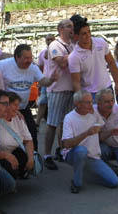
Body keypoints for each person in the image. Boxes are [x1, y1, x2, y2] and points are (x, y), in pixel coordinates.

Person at [0, 44, 58, 151]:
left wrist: (52, 79)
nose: (29, 61)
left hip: (23, 108)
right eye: (26, 58)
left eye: (31, 57)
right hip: (5, 110)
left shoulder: (33, 68)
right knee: (8, 138)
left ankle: (34, 160)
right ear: (17, 57)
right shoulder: (2, 66)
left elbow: (43, 81)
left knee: (32, 133)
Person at [62, 90, 118, 193]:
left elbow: (101, 127)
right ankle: (76, 183)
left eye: (91, 101)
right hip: (73, 154)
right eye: (87, 102)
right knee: (81, 151)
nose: (91, 105)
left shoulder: (94, 113)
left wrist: (112, 132)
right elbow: (66, 144)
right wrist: (87, 133)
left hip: (93, 156)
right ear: (78, 104)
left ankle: (87, 172)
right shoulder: (69, 118)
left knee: (114, 182)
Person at [44, 19, 75, 170]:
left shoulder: (72, 45)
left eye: (72, 27)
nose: (71, 29)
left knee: (66, 123)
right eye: (69, 26)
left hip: (70, 88)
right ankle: (46, 155)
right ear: (60, 29)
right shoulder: (54, 45)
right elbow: (62, 62)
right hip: (57, 89)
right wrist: (77, 51)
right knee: (52, 123)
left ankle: (63, 150)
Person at [68, 20, 118, 99]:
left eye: (89, 32)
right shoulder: (74, 57)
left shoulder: (101, 42)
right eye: (84, 33)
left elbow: (111, 63)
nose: (88, 35)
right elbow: (76, 82)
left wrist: (117, 83)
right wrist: (81, 99)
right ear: (77, 36)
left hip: (107, 88)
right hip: (90, 93)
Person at [0, 92, 34, 179]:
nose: (18, 108)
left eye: (18, 105)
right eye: (15, 105)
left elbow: (28, 140)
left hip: (12, 152)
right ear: (6, 105)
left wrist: (31, 159)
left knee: (23, 156)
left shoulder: (18, 118)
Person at [35, 34, 55, 128]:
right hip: (45, 81)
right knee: (42, 102)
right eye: (48, 40)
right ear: (45, 41)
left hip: (56, 82)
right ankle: (37, 123)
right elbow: (40, 67)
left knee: (53, 103)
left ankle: (52, 123)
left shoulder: (59, 51)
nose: (50, 41)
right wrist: (39, 81)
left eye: (51, 39)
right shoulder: (42, 53)